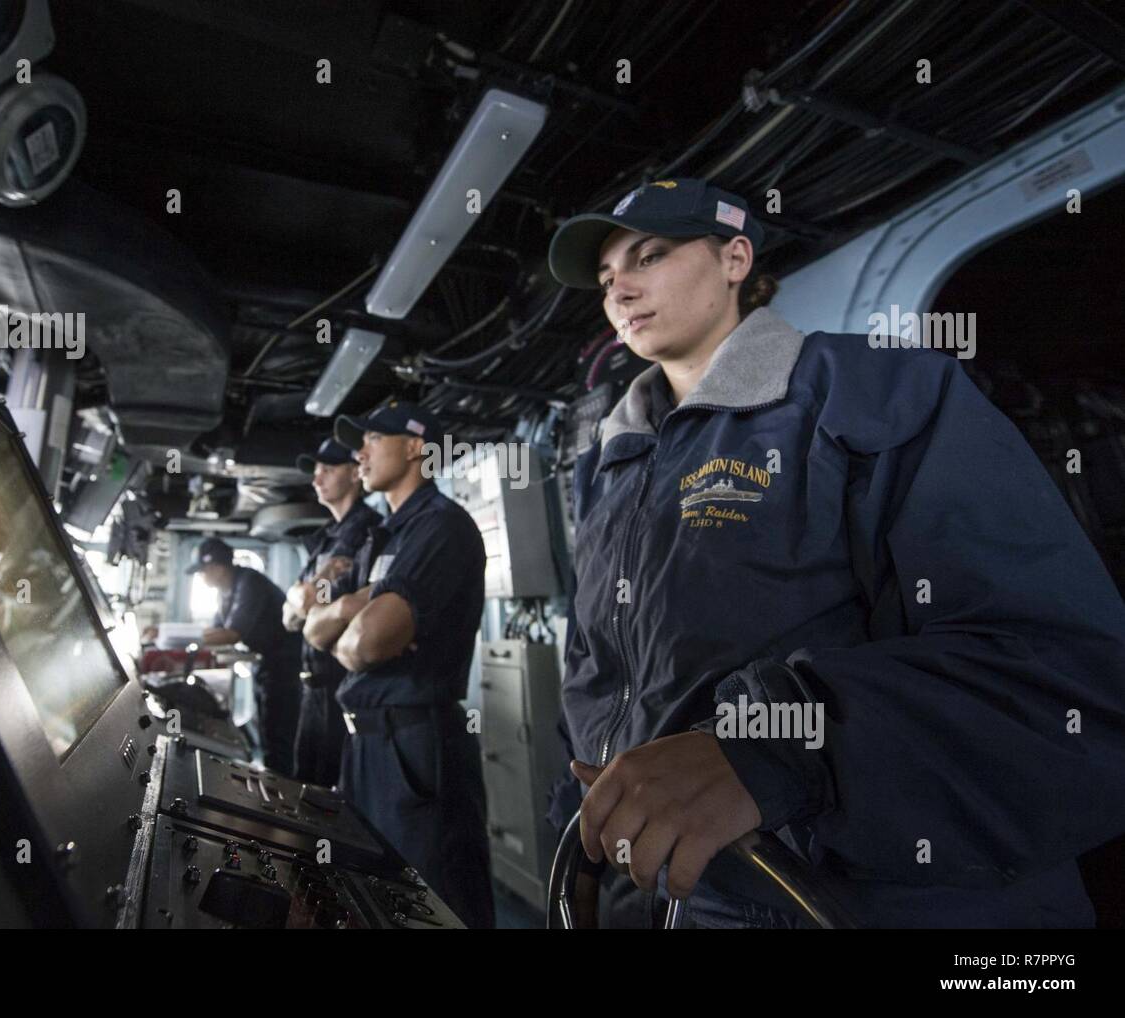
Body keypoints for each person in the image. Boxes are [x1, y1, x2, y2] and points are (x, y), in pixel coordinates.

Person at [546, 175, 1125, 928]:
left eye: (649, 255)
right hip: (687, 903)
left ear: (735, 259)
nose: (619, 289)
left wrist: (774, 751)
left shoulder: (877, 392)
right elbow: (593, 678)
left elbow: (1069, 680)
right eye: (605, 279)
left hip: (890, 900)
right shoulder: (611, 466)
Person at [302, 401, 495, 929]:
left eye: (373, 438)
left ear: (415, 448)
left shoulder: (441, 527)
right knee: (377, 899)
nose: (359, 452)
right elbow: (314, 630)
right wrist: (349, 606)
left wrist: (354, 626)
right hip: (365, 745)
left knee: (432, 905)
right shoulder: (381, 536)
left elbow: (368, 643)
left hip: (416, 748)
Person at [284, 437, 380, 787]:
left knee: (331, 798)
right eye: (316, 471)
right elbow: (290, 613)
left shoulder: (368, 531)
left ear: (356, 473)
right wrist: (306, 594)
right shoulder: (325, 539)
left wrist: (306, 597)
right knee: (304, 787)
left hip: (342, 686)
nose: (316, 478)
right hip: (311, 690)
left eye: (328, 469)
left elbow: (327, 609)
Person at [187, 536, 302, 775]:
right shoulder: (224, 592)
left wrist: (175, 637)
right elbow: (215, 631)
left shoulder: (249, 582)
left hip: (285, 665)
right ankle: (272, 778)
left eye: (203, 571)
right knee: (266, 728)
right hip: (264, 663)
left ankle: (282, 789)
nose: (201, 576)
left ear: (217, 568)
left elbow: (230, 634)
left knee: (278, 732)